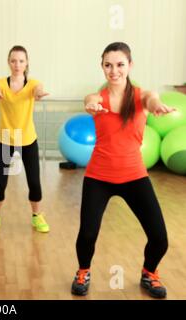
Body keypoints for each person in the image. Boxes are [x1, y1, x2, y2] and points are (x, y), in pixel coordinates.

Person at [71, 42, 175, 298]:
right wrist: (90, 106)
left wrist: (158, 106)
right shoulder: (98, 98)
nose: (114, 70)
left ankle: (149, 273)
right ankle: (83, 270)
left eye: (119, 64)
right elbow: (89, 100)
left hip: (134, 177)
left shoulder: (142, 96)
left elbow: (152, 100)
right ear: (102, 66)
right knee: (87, 234)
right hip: (98, 177)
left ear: (130, 65)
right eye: (108, 65)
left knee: (160, 237)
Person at [0, 45, 50, 233]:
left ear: (26, 62)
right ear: (8, 62)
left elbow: (38, 89)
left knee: (34, 182)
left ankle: (37, 216)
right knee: (0, 182)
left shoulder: (33, 84)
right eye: (13, 60)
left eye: (21, 61)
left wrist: (39, 93)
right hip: (5, 139)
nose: (17, 64)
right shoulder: (0, 83)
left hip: (28, 139)